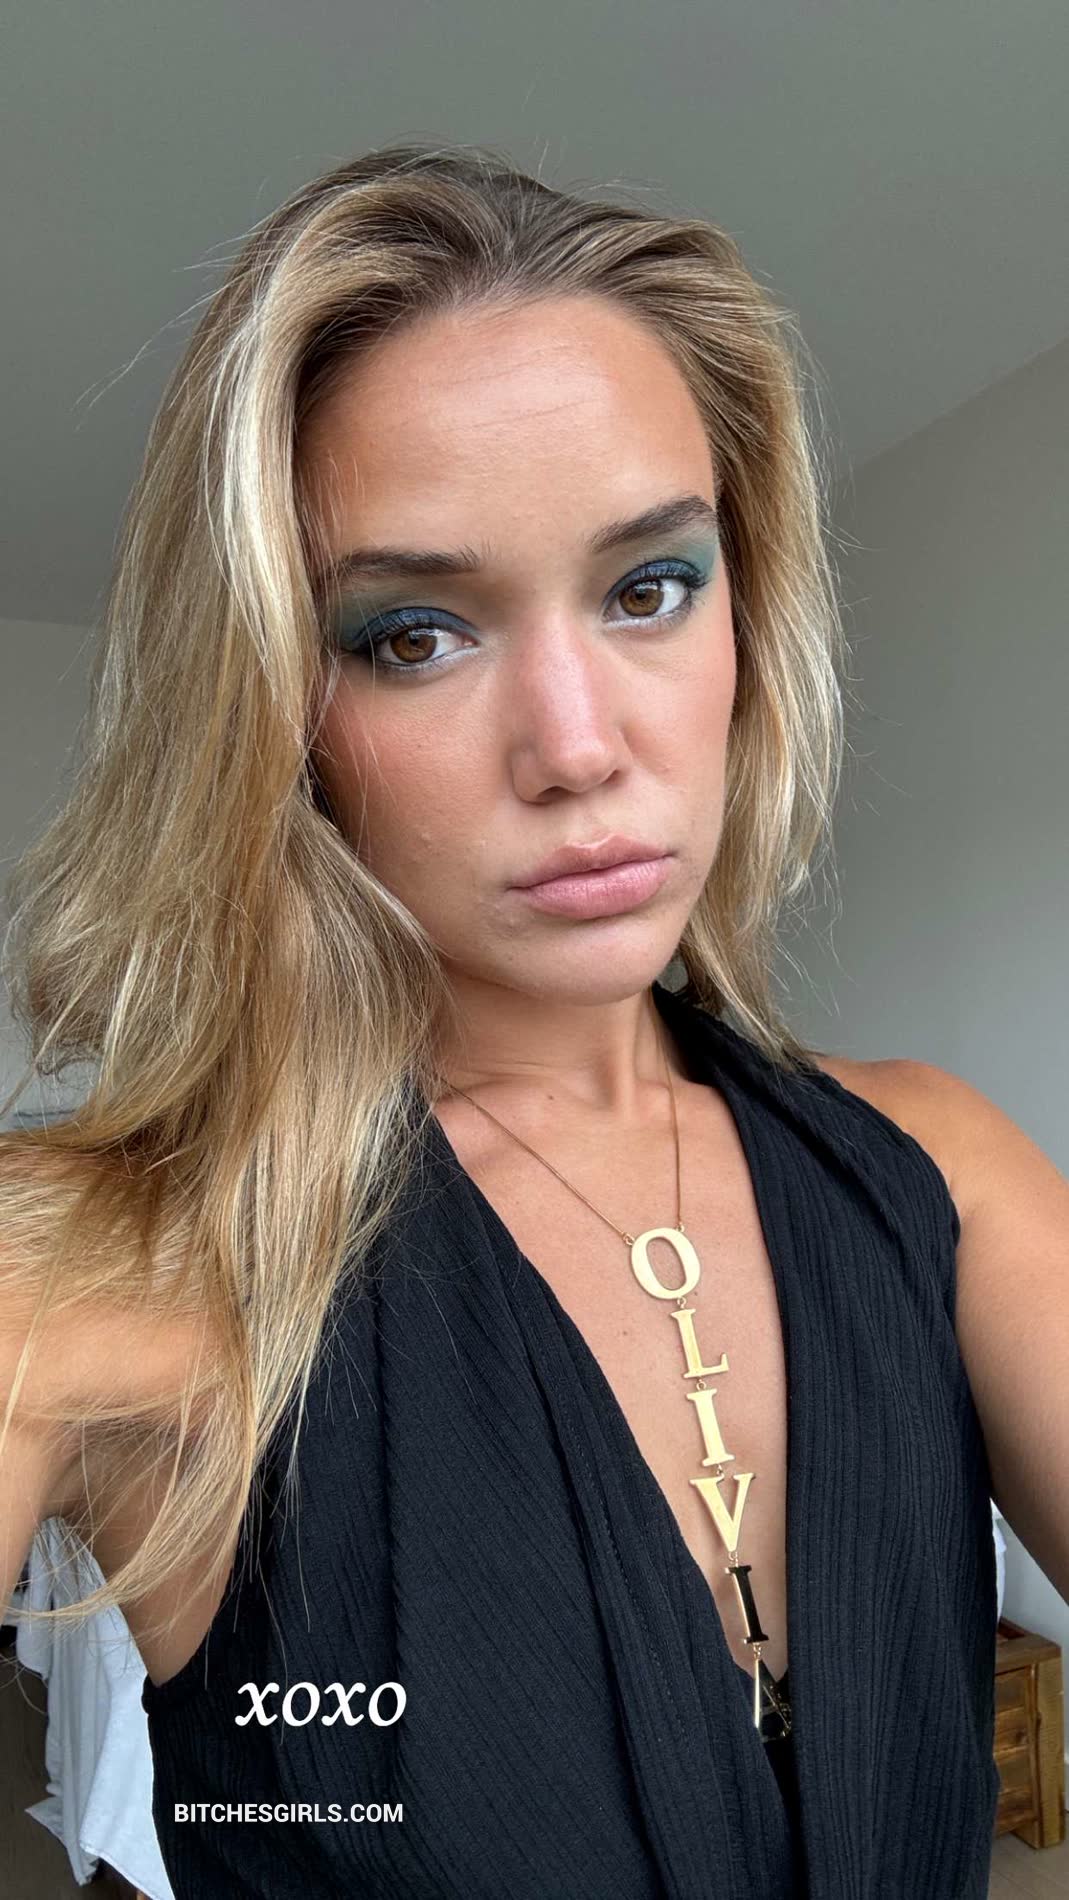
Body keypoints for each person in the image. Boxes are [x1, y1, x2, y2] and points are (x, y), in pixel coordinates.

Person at [2, 140, 1067, 1900]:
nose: (578, 746)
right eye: (412, 634)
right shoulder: (114, 1269)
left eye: (649, 587)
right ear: (273, 709)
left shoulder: (932, 1167)